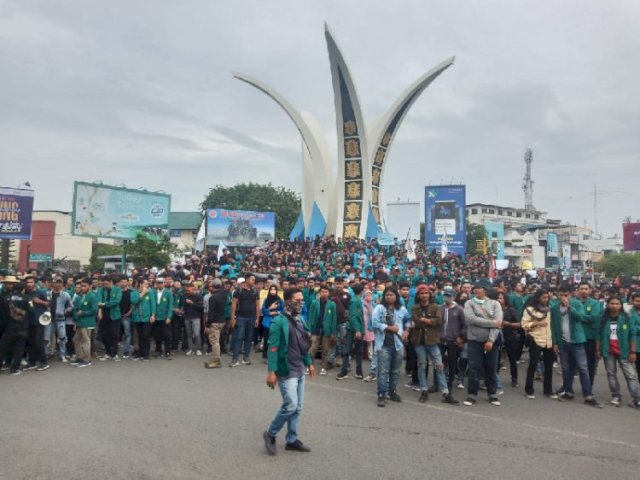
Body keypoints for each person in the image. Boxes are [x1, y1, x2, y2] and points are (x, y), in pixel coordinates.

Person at [263, 288, 315, 455]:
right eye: (298, 300)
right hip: (286, 370)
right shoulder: (279, 321)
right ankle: (270, 433)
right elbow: (273, 347)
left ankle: (291, 440)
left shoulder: (300, 320)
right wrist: (271, 371)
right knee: (291, 405)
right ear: (289, 301)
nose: (301, 302)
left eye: (302, 300)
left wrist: (309, 363)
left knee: (297, 407)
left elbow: (303, 345)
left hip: (300, 368)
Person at [550, 285, 602, 407]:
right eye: (561, 295)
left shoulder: (577, 304)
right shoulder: (554, 308)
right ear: (558, 295)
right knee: (566, 369)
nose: (563, 297)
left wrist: (569, 307)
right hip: (563, 342)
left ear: (571, 295)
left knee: (583, 368)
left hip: (577, 341)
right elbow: (554, 327)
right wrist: (555, 343)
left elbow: (581, 317)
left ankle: (588, 395)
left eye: (566, 295)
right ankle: (568, 392)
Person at [411, 285, 459, 404]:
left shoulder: (435, 307)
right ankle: (424, 390)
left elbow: (439, 321)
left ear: (430, 294)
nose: (424, 295)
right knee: (422, 365)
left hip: (433, 340)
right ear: (418, 295)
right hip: (419, 340)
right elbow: (416, 322)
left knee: (439, 365)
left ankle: (445, 393)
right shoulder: (415, 308)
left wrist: (426, 320)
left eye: (426, 293)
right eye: (422, 293)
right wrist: (429, 321)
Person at [596, 296, 640, 409]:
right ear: (608, 305)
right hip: (608, 350)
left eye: (617, 304)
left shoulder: (626, 317)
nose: (614, 306)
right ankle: (616, 396)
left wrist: (633, 352)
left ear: (621, 305)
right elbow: (598, 335)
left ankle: (637, 399)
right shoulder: (603, 318)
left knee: (631, 376)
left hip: (624, 351)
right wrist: (597, 350)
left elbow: (632, 334)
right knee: (611, 374)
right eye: (612, 303)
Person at [463, 284, 502, 406]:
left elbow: (498, 323)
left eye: (478, 291)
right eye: (474, 291)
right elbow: (471, 319)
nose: (476, 293)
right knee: (474, 368)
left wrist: (491, 340)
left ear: (484, 291)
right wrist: (491, 322)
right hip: (474, 340)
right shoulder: (469, 303)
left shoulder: (495, 304)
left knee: (491, 368)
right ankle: (472, 395)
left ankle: (492, 394)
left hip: (491, 342)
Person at [372, 287, 411, 407]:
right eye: (387, 295)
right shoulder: (379, 308)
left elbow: (408, 319)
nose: (389, 297)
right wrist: (389, 328)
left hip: (398, 344)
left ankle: (392, 392)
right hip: (383, 345)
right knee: (383, 372)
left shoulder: (401, 309)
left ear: (396, 296)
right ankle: (381, 394)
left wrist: (407, 331)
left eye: (391, 295)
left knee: (395, 371)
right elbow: (374, 323)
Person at [521, 290, 556, 400]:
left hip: (548, 340)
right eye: (543, 298)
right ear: (538, 298)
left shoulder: (550, 309)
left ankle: (548, 390)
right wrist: (537, 323)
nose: (546, 300)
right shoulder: (530, 310)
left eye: (547, 297)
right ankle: (529, 390)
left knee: (549, 367)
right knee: (533, 365)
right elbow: (524, 324)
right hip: (536, 339)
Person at [0, 276, 30, 375]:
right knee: (19, 348)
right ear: (24, 289)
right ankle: (15, 369)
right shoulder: (26, 299)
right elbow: (31, 313)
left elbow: (2, 313)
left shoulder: (5, 298)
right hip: (22, 327)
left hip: (9, 327)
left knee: (3, 348)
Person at [439, 287, 466, 392]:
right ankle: (437, 383)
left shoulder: (459, 309)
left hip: (453, 341)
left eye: (449, 296)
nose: (446, 297)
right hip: (440, 340)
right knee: (439, 362)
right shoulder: (440, 308)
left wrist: (461, 337)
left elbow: (464, 325)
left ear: (454, 297)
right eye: (445, 295)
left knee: (452, 362)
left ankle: (449, 384)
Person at [230, 274, 260, 367]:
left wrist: (257, 318)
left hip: (252, 318)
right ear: (247, 280)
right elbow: (234, 305)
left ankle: (246, 357)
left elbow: (258, 305)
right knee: (239, 338)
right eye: (252, 279)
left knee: (249, 338)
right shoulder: (238, 291)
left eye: (254, 280)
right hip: (240, 317)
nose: (254, 281)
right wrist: (233, 318)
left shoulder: (255, 291)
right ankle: (235, 359)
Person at [336, 282, 364, 380]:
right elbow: (352, 316)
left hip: (358, 328)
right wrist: (357, 330)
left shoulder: (358, 300)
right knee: (347, 350)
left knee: (358, 351)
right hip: (353, 329)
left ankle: (359, 371)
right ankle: (344, 371)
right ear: (361, 291)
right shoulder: (354, 301)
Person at [577, 281, 602, 386]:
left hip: (589, 337)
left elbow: (593, 317)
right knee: (573, 364)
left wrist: (577, 316)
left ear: (590, 291)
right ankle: (567, 388)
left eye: (586, 289)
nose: (583, 291)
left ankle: (588, 387)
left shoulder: (595, 303)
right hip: (576, 337)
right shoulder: (573, 302)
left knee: (590, 364)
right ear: (578, 291)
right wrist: (584, 317)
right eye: (581, 289)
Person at [308, 285, 337, 375]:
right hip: (315, 329)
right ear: (320, 293)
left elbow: (334, 319)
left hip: (327, 330)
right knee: (312, 349)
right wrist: (309, 329)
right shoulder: (314, 302)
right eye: (322, 292)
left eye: (326, 292)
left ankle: (323, 367)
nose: (324, 294)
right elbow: (310, 316)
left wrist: (333, 332)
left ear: (328, 293)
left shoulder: (332, 304)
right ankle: (310, 366)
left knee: (325, 350)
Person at [70, 278, 98, 368]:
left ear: (90, 286)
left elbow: (94, 310)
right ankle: (79, 358)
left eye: (84, 286)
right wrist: (76, 317)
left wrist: (83, 313)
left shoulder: (92, 296)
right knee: (76, 340)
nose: (82, 288)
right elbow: (75, 308)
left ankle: (86, 359)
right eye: (81, 286)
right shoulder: (80, 296)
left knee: (85, 340)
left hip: (87, 322)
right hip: (79, 322)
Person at [24, 276, 50, 371]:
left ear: (34, 283)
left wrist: (40, 301)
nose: (29, 284)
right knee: (30, 343)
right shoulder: (25, 293)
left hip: (39, 321)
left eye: (31, 282)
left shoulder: (41, 292)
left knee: (39, 342)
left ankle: (44, 362)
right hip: (28, 321)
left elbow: (48, 304)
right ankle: (32, 362)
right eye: (28, 282)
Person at [500, 291, 524, 388]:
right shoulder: (494, 309)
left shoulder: (511, 310)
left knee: (512, 359)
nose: (499, 300)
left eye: (501, 298)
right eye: (498, 298)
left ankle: (514, 378)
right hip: (497, 336)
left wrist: (508, 324)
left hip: (510, 336)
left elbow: (519, 324)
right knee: (496, 359)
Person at [205, 278, 230, 369]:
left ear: (214, 287)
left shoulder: (213, 298)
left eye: (211, 286)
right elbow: (223, 288)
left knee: (214, 342)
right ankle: (215, 358)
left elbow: (211, 313)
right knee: (217, 341)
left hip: (215, 322)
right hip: (222, 320)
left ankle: (216, 360)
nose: (209, 287)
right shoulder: (224, 294)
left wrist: (207, 324)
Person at [98, 275, 123, 361]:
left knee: (115, 335)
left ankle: (115, 353)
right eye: (103, 284)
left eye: (106, 284)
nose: (105, 286)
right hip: (104, 315)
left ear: (111, 282)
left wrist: (105, 304)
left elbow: (117, 301)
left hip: (115, 316)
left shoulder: (118, 289)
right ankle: (107, 352)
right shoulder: (101, 290)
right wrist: (100, 310)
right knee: (104, 335)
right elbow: (98, 301)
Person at [131, 279, 155, 362]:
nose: (146, 286)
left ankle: (146, 355)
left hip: (146, 317)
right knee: (140, 336)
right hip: (137, 318)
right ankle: (140, 353)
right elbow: (134, 301)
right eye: (145, 284)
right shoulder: (133, 293)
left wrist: (153, 315)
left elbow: (153, 303)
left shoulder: (150, 292)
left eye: (147, 284)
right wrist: (142, 293)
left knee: (146, 336)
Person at [50, 277, 73, 363]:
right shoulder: (48, 294)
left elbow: (71, 306)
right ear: (53, 284)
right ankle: (47, 354)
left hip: (60, 319)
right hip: (49, 319)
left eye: (60, 283)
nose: (58, 284)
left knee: (62, 338)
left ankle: (62, 355)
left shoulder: (65, 294)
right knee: (47, 338)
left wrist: (65, 311)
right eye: (56, 282)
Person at [260, 285, 285, 363]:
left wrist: (277, 312)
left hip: (277, 322)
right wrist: (270, 309)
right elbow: (263, 311)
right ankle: (266, 356)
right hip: (267, 322)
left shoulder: (280, 300)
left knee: (276, 340)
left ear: (277, 291)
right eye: (271, 289)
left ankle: (274, 356)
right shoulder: (266, 300)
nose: (273, 291)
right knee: (267, 340)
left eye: (274, 289)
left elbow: (283, 310)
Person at [152, 278, 174, 360]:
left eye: (161, 283)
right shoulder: (153, 292)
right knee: (157, 335)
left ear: (164, 283)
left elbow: (170, 306)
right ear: (156, 284)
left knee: (167, 335)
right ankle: (158, 350)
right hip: (156, 317)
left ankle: (167, 351)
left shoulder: (168, 292)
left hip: (165, 317)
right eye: (158, 283)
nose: (159, 284)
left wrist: (169, 317)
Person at [182, 282, 203, 356]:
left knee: (197, 334)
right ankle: (191, 349)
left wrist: (192, 303)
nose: (187, 292)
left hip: (196, 317)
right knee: (189, 334)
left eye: (189, 290)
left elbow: (201, 307)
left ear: (193, 289)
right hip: (187, 317)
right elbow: (183, 306)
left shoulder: (199, 296)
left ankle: (198, 349)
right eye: (187, 290)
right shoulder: (185, 296)